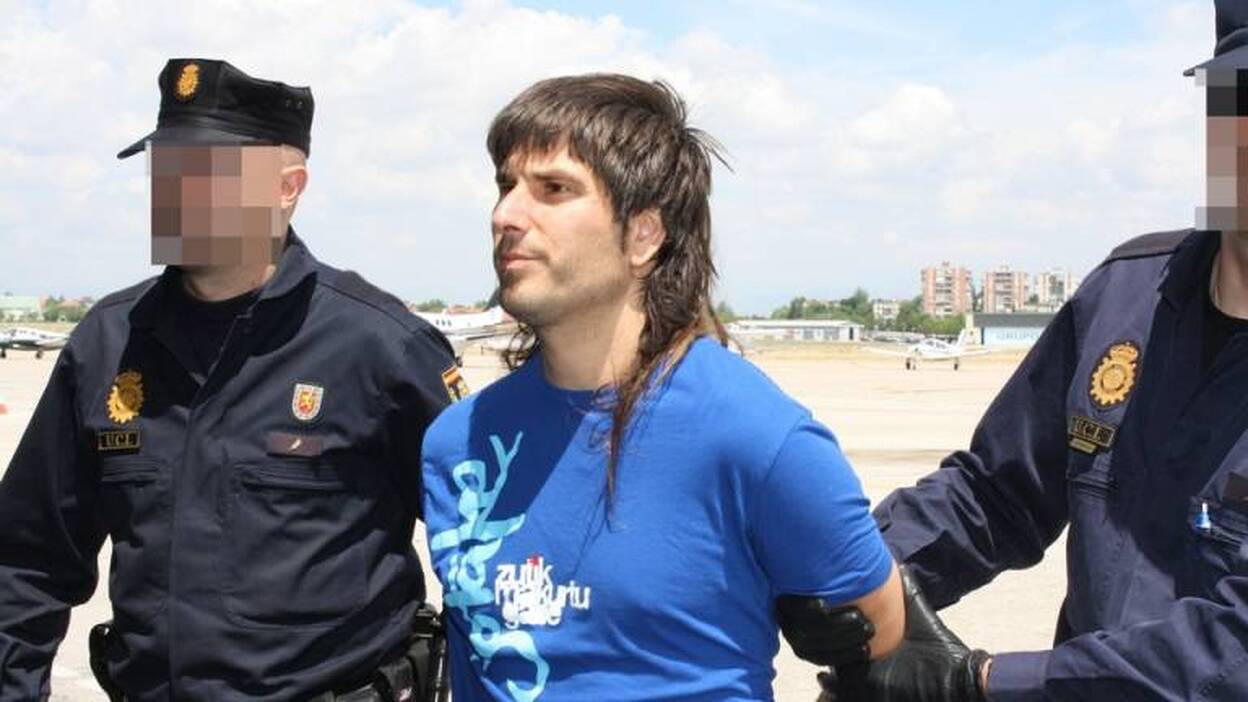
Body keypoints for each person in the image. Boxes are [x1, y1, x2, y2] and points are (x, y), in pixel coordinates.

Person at [419, 73, 905, 701]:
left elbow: (881, 632)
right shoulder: (457, 442)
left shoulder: (756, 436)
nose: (506, 215)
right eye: (505, 186)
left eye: (554, 189)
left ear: (644, 234)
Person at [827, 1, 1248, 700]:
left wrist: (977, 683)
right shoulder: (1126, 298)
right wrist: (857, 577)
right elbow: (998, 494)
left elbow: (1230, 655)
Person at [0, 58, 457, 700]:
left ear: (287, 187)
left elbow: (487, 549)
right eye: (166, 171)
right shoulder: (108, 343)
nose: (177, 195)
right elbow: (27, 559)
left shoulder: (381, 347)